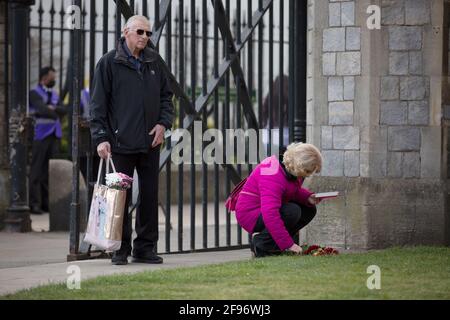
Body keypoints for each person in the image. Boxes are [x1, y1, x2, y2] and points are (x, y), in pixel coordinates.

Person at [89, 15, 175, 265]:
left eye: (148, 33)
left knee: (148, 196)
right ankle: (119, 248)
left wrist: (163, 124)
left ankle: (145, 248)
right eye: (140, 32)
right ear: (126, 32)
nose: (145, 37)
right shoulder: (108, 63)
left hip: (150, 143)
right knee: (119, 198)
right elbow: (97, 106)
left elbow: (166, 97)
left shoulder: (154, 61)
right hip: (119, 144)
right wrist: (101, 138)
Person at [235, 142, 323, 257]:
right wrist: (288, 244)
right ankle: (261, 244)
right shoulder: (272, 174)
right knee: (292, 211)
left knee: (308, 209)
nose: (308, 175)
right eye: (307, 172)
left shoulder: (289, 169)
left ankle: (274, 245)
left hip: (263, 209)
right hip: (250, 214)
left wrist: (307, 197)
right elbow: (270, 213)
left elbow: (290, 190)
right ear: (299, 165)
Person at [29, 66, 66, 214]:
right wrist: (53, 109)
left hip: (54, 135)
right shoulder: (34, 93)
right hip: (40, 135)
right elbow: (42, 109)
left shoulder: (55, 94)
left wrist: (53, 109)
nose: (54, 80)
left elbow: (65, 110)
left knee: (48, 171)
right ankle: (34, 204)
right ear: (44, 78)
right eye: (52, 77)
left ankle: (45, 203)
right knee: (36, 170)